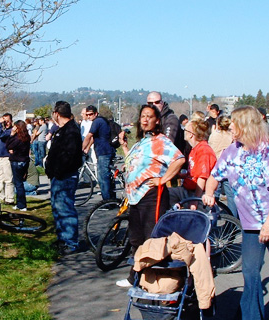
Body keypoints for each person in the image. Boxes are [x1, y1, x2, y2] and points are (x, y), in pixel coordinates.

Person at [202, 105, 269, 320]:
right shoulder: (231, 152)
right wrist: (209, 192)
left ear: (245, 125)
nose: (230, 127)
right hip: (249, 224)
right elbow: (214, 177)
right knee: (250, 270)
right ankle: (251, 318)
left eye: (234, 123)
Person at [116, 104, 185, 287]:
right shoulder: (142, 142)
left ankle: (155, 281)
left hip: (151, 196)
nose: (145, 120)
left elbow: (179, 159)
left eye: (149, 117)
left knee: (151, 240)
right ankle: (136, 277)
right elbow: (135, 162)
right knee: (135, 239)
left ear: (156, 121)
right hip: (135, 197)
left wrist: (163, 179)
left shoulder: (160, 141)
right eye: (142, 116)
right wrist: (124, 147)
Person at [45, 101, 83, 254]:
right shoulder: (62, 130)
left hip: (65, 177)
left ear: (56, 113)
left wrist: (59, 171)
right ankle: (62, 239)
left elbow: (69, 156)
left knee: (65, 207)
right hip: (58, 176)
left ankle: (70, 242)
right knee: (57, 207)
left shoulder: (71, 131)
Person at [168, 116, 217, 205]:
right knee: (166, 194)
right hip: (187, 188)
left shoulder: (204, 150)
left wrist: (195, 201)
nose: (184, 132)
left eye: (185, 130)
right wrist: (178, 175)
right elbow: (193, 173)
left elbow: (202, 178)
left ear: (191, 134)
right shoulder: (194, 149)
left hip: (196, 192)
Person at [82, 105, 115, 200]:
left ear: (96, 113)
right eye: (87, 115)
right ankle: (111, 199)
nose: (88, 117)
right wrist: (87, 148)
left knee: (103, 178)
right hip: (103, 151)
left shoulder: (97, 121)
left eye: (90, 114)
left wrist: (81, 148)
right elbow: (94, 138)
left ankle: (107, 201)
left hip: (104, 152)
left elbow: (89, 136)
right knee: (106, 176)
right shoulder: (100, 121)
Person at [209, 115, 237, 217]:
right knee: (231, 197)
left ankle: (213, 218)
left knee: (213, 196)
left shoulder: (214, 136)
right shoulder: (231, 136)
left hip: (215, 167)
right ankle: (232, 220)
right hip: (229, 169)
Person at [6, 120, 31, 211]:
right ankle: (19, 203)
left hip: (17, 161)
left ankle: (22, 205)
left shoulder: (17, 138)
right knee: (20, 183)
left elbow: (8, 145)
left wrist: (11, 135)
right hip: (24, 161)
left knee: (18, 184)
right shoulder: (27, 137)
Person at [0, 113, 15, 204]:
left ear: (11, 121)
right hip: (0, 157)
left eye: (7, 121)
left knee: (8, 179)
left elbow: (0, 135)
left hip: (7, 157)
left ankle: (9, 198)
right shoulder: (5, 130)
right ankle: (1, 196)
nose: (6, 123)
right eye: (4, 121)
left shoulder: (11, 131)